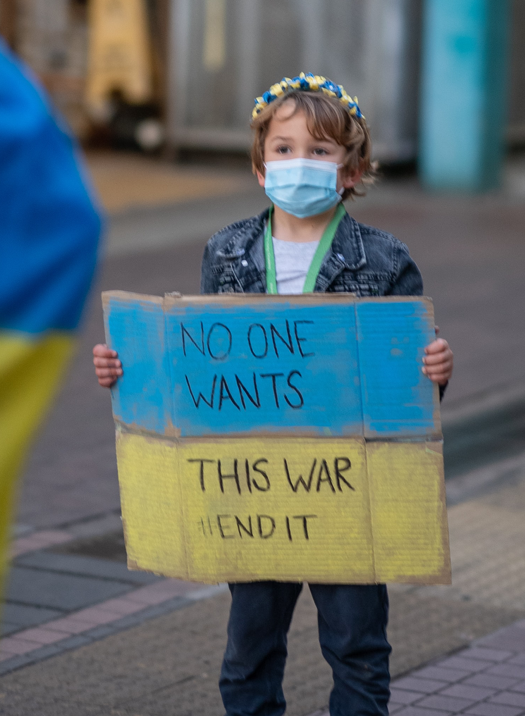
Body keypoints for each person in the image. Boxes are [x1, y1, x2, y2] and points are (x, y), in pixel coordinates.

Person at [93, 73, 453, 716]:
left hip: (349, 493)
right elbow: (198, 367)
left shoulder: (385, 258)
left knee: (359, 651)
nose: (299, 164)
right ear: (261, 168)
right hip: (253, 492)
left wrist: (435, 370)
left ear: (352, 170)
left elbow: (406, 388)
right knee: (249, 652)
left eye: (320, 151)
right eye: (284, 150)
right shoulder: (225, 251)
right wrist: (129, 371)